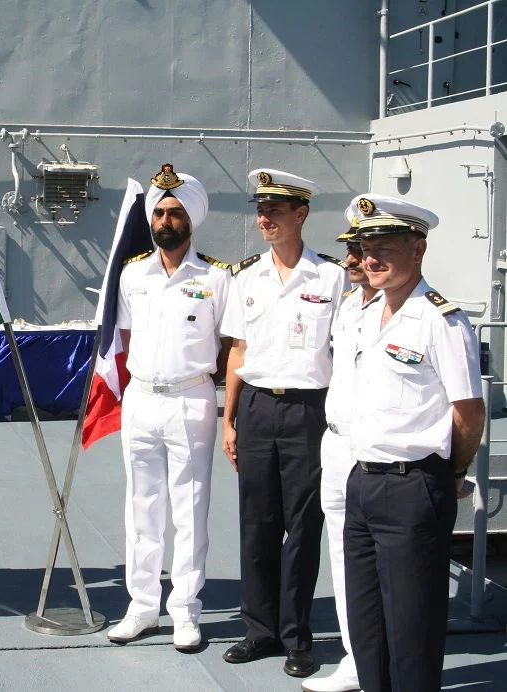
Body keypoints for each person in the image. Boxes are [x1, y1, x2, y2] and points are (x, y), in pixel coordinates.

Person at [345, 194, 483, 692]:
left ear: (418, 249)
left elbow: (469, 413)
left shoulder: (442, 321)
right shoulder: (368, 313)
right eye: (366, 244)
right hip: (362, 481)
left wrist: (449, 473)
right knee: (366, 627)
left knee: (412, 629)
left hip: (412, 488)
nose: (371, 255)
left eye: (385, 244)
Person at [220, 169, 348, 677]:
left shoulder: (332, 278)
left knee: (302, 528)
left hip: (308, 411)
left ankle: (297, 636)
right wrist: (229, 420)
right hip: (255, 407)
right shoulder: (245, 277)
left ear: (301, 214)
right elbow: (237, 351)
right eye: (261, 210)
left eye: (275, 210)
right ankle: (260, 631)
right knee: (256, 524)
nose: (264, 218)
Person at [106, 164, 230, 650]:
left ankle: (185, 610)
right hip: (141, 397)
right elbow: (127, 337)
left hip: (192, 397)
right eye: (158, 211)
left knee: (190, 508)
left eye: (175, 212)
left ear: (191, 220)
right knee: (141, 507)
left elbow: (229, 345)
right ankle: (141, 607)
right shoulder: (132, 274)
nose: (165, 219)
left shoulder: (218, 278)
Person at [303, 210, 376, 692]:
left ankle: (385, 658)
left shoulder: (414, 310)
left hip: (377, 451)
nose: (351, 259)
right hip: (335, 443)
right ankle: (356, 658)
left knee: (382, 561)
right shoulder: (349, 306)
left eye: (362, 250)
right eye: (350, 249)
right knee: (343, 555)